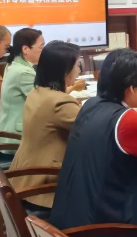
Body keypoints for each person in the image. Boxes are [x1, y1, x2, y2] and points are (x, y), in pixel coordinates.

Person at [51, 49, 137, 233]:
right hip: (106, 234)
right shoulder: (128, 121)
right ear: (132, 88)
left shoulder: (90, 105)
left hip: (71, 222)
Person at [9, 41, 82, 211]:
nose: (78, 70)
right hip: (44, 187)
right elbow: (93, 132)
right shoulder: (61, 102)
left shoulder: (38, 91)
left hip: (23, 177)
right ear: (65, 70)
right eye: (77, 65)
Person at [0, 28, 44, 153]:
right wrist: (71, 88)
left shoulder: (15, 64)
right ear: (25, 49)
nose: (44, 51)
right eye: (41, 47)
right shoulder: (24, 72)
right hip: (14, 139)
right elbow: (43, 102)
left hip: (4, 132)